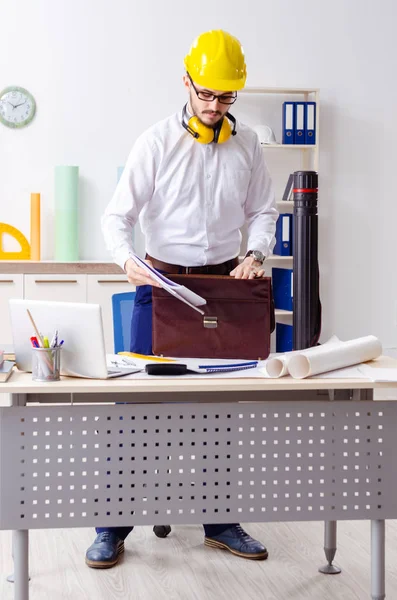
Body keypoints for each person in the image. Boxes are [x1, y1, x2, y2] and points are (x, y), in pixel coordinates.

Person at [86, 29, 278, 569]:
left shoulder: (246, 145)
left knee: (217, 414)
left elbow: (264, 210)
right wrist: (129, 262)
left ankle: (220, 521)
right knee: (132, 418)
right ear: (187, 82)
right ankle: (112, 527)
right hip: (163, 285)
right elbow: (116, 216)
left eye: (226, 97)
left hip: (221, 287)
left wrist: (256, 254)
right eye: (207, 95)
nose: (215, 107)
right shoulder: (155, 142)